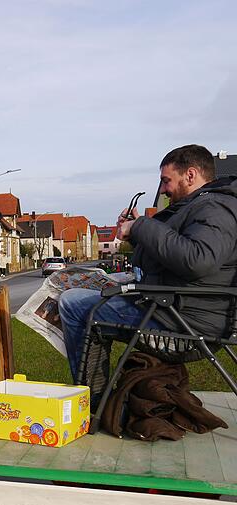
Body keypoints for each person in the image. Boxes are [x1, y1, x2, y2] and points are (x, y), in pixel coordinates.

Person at [59, 144, 237, 389]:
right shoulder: (201, 206)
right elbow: (171, 255)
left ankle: (93, 402)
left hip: (184, 324)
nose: (163, 190)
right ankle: (100, 396)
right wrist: (135, 234)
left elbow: (197, 259)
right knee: (80, 298)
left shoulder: (215, 208)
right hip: (176, 309)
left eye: (166, 181)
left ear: (191, 175)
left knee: (73, 304)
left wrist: (141, 226)